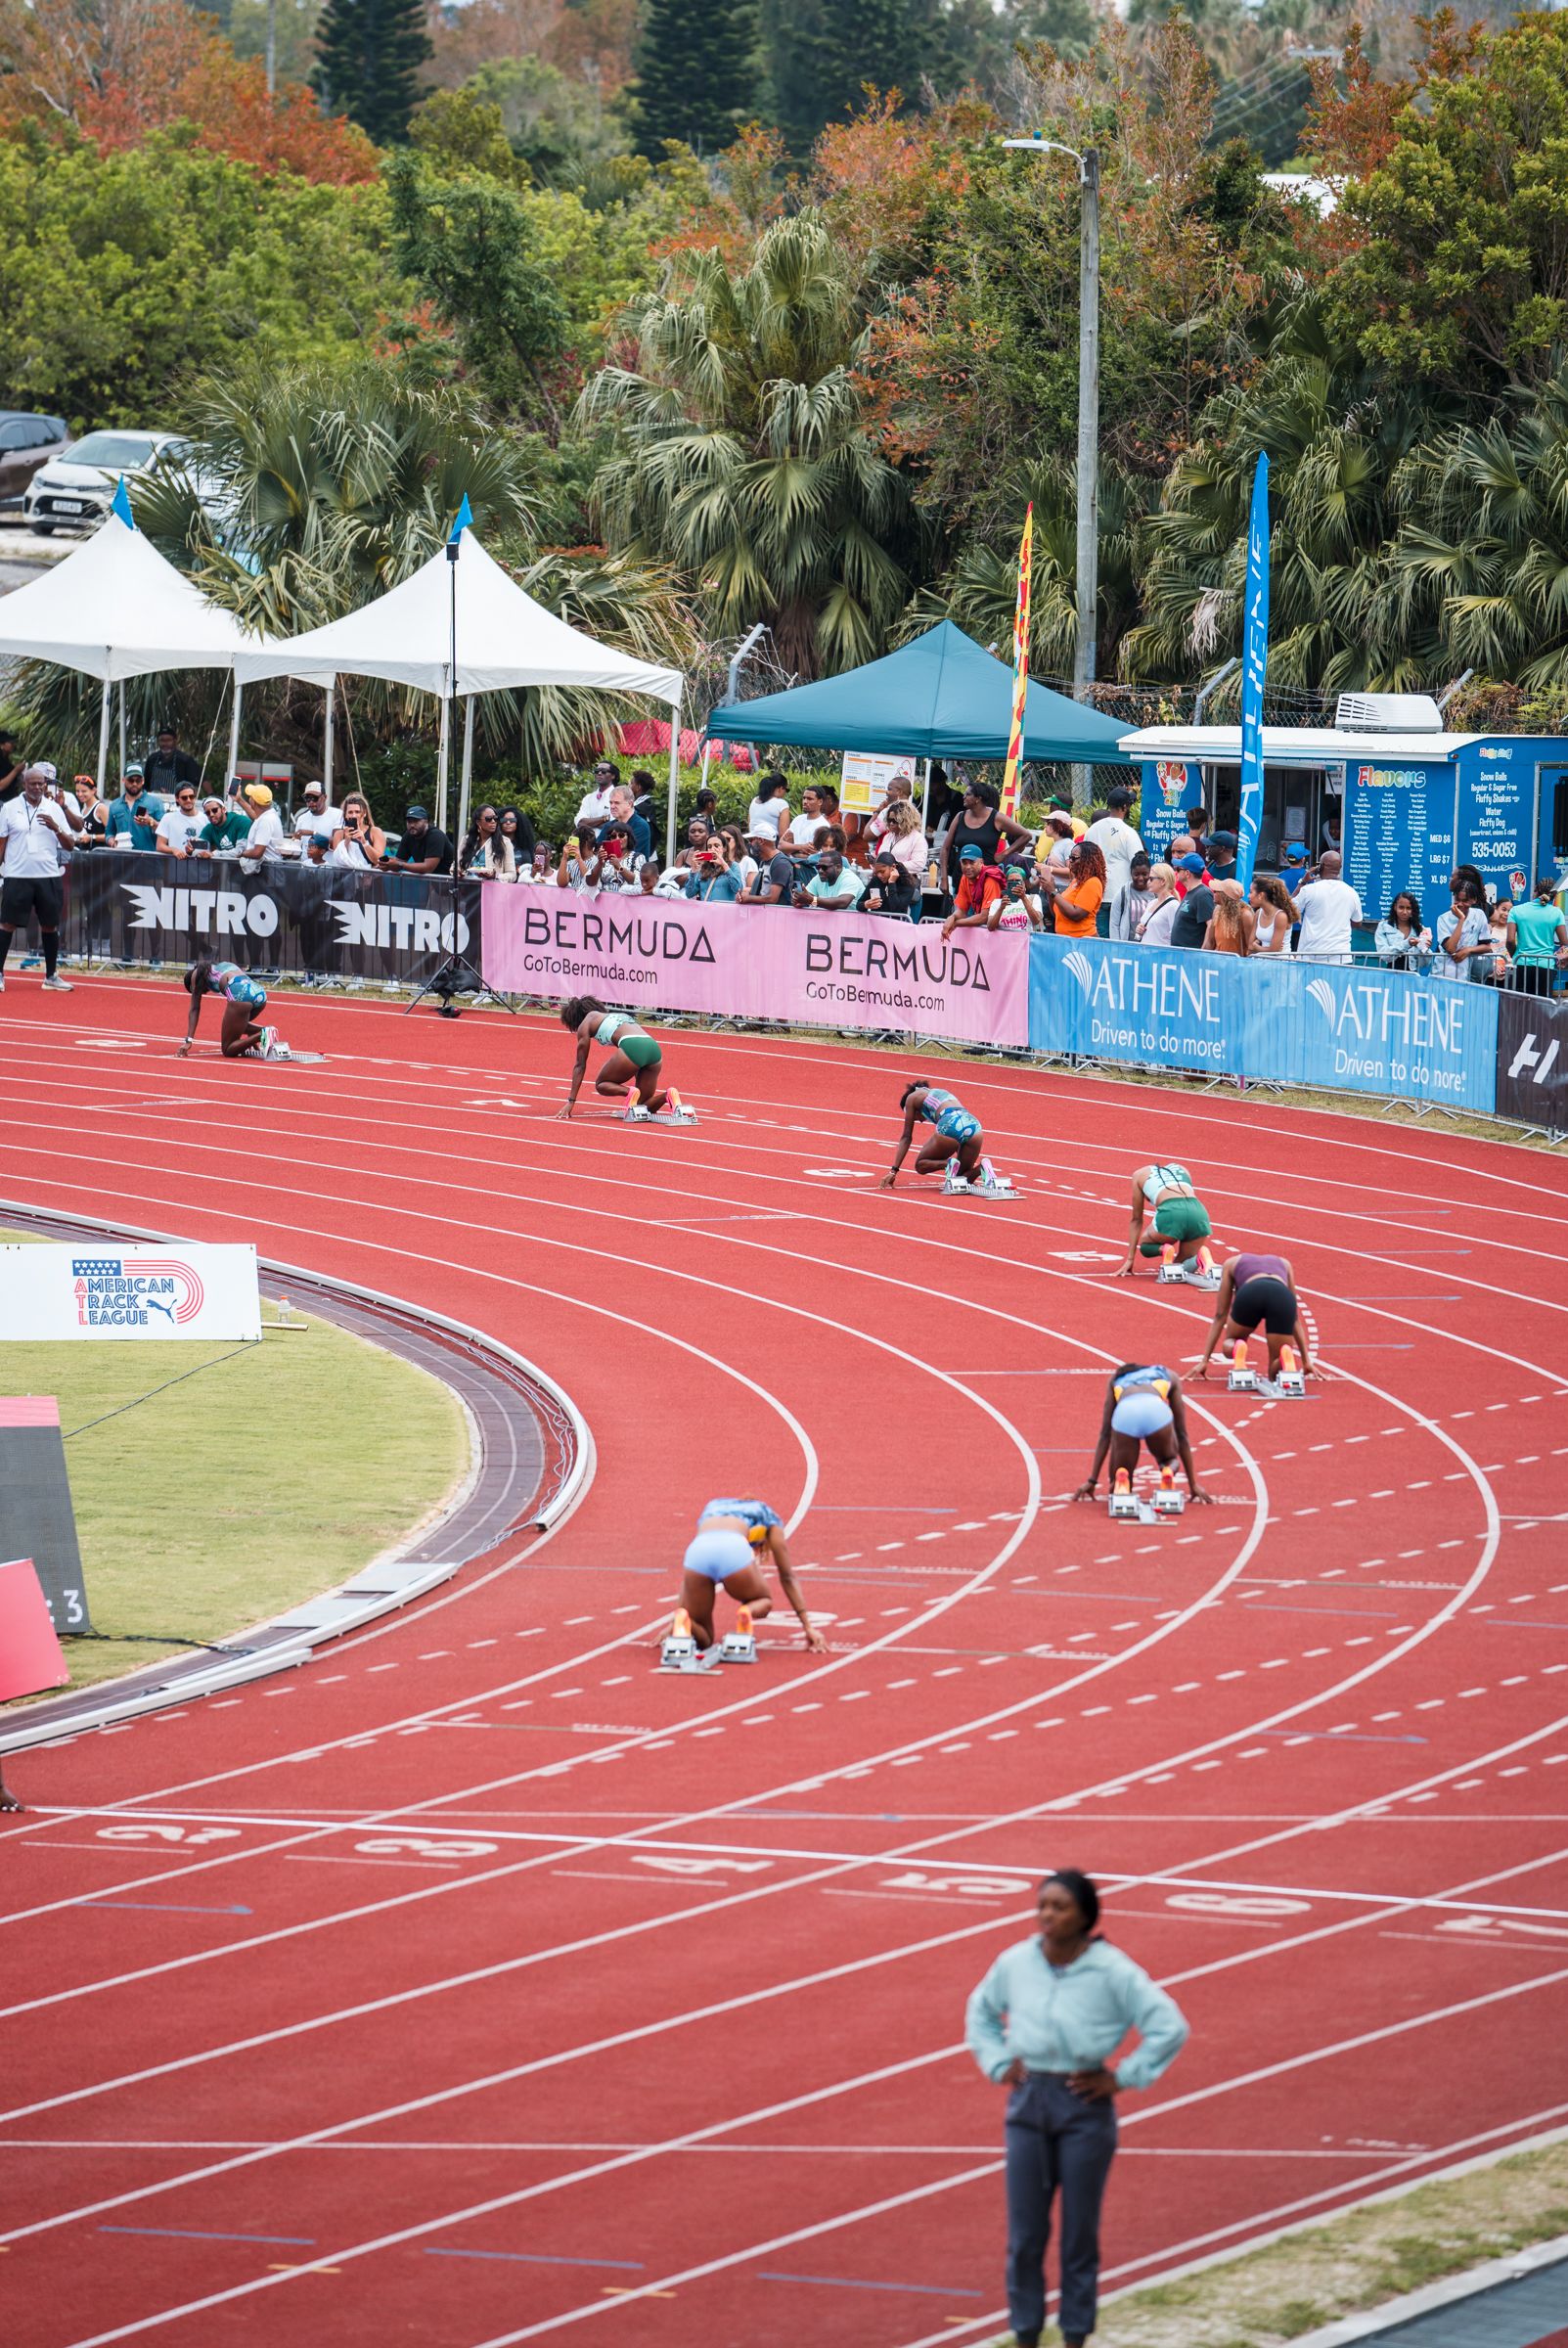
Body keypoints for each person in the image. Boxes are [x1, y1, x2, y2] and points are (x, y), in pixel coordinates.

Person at [965, 1870, 1189, 2348]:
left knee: (1078, 2236)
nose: (1047, 1914)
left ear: (1086, 1916)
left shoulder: (1113, 1970)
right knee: (1025, 2235)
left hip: (1083, 2104)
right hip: (1028, 2099)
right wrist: (997, 2062)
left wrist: (1123, 2077)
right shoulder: (1016, 1961)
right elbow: (980, 2011)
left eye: (1060, 1906)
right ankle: (1025, 2332)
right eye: (1043, 1904)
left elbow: (1169, 2026)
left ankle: (1074, 2335)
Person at [674, 1498, 826, 1654]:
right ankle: (747, 1611)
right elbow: (787, 1577)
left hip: (697, 1552)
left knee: (704, 1640)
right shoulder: (766, 1514)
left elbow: (687, 1581)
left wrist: (676, 1615)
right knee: (763, 1600)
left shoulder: (713, 1506)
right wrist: (807, 1626)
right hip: (733, 1549)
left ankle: (683, 1620)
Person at [1072, 1366, 1211, 1506]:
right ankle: (1167, 1469)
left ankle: (1122, 1481)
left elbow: (1105, 1434)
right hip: (1156, 1412)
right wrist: (1193, 1484)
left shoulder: (1116, 1379)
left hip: (1126, 1414)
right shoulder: (1168, 1375)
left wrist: (1092, 1480)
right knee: (1169, 1459)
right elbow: (1181, 1434)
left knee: (1121, 1475)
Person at [0, 766, 81, 992]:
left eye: (40, 783)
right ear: (24, 784)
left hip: (48, 875)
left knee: (50, 925)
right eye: (32, 783)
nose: (37, 787)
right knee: (7, 924)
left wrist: (56, 828)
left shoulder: (54, 808)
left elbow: (70, 844)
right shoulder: (9, 808)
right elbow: (2, 843)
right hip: (17, 874)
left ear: (45, 785)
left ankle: (51, 976)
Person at [1194, 1250, 1322, 1382]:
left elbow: (1220, 1315)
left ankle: (1238, 1347)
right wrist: (1306, 1361)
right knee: (1275, 1374)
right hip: (1281, 1295)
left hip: (1251, 1291)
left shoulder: (1231, 1263)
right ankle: (1284, 1356)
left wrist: (1205, 1360)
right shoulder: (1285, 1264)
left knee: (1231, 1341)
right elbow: (1294, 1318)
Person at [557, 995, 675, 1118]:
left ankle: (629, 1092)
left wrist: (571, 1101)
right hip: (653, 1048)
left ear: (574, 1019)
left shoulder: (585, 1024)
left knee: (601, 1084)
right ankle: (668, 1095)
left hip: (633, 1045)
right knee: (642, 1106)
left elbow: (580, 1065)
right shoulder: (616, 1015)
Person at [880, 1076, 1000, 1195]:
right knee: (961, 1179)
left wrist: (893, 1171)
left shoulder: (911, 1098)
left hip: (950, 1122)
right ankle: (982, 1167)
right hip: (973, 1124)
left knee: (921, 1165)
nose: (919, 1120)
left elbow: (906, 1137)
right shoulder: (940, 1093)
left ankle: (947, 1164)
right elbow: (960, 1135)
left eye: (914, 1117)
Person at [1115, 1159, 1216, 1281]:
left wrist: (1130, 1259)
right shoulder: (1182, 1169)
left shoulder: (1139, 1175)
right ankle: (1201, 1255)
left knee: (1145, 1246)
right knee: (1180, 1267)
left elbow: (1136, 1220)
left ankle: (1165, 1249)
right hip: (1198, 1211)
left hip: (1171, 1211)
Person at [939, 776, 1034, 889]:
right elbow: (945, 848)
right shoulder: (960, 817)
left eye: (968, 794)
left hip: (986, 881)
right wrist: (943, 878)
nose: (963, 797)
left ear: (978, 799)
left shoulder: (996, 818)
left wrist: (1004, 854)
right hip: (961, 880)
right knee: (959, 907)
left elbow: (1026, 835)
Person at [178, 958, 268, 1056]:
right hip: (259, 993)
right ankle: (264, 1031)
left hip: (241, 994)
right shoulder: (220, 966)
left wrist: (188, 1041)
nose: (204, 993)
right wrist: (249, 1040)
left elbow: (194, 1009)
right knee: (235, 1027)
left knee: (228, 1049)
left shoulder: (195, 974)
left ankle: (262, 1034)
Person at [1084, 786, 1143, 932]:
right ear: (1125, 806)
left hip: (1097, 892)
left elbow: (1083, 860)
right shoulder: (1128, 833)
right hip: (1121, 894)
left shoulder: (1092, 829)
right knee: (1120, 940)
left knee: (1101, 941)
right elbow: (1139, 864)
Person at [1291, 849, 1361, 962]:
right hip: (1340, 957)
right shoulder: (1352, 893)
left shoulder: (1309, 890)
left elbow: (1288, 908)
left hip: (1310, 956)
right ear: (1340, 867)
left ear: (1321, 866)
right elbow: (1357, 922)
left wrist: (1302, 882)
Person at [1507, 874, 1568, 996]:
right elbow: (1564, 943)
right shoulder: (1556, 912)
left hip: (1521, 964)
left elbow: (1510, 941)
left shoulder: (1516, 910)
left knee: (1519, 1005)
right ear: (1553, 895)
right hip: (1546, 966)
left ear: (1535, 890)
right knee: (1542, 1008)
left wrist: (1516, 955)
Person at [1046, 839, 1107, 941]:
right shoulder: (1076, 881)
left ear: (1088, 860)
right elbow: (1056, 912)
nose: (1070, 861)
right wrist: (1049, 890)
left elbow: (1076, 914)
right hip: (1067, 941)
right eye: (1070, 857)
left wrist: (1053, 891)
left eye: (1074, 858)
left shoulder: (1093, 882)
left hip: (1084, 943)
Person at [1434, 879, 1493, 981]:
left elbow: (1487, 946)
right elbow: (1451, 948)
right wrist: (1461, 919)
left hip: (1465, 976)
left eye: (1465, 901)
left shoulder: (1479, 915)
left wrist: (1468, 950)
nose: (1460, 904)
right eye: (1457, 899)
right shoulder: (1443, 919)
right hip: (1442, 973)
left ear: (1473, 900)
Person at [943, 839, 1003, 935]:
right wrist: (952, 917)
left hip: (1001, 930)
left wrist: (955, 923)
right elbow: (962, 910)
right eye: (964, 863)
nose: (968, 867)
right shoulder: (965, 878)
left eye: (972, 862)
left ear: (981, 862)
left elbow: (984, 917)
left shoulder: (990, 880)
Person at [104, 765, 163, 851]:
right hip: (123, 858)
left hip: (148, 858)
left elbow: (165, 832)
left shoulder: (155, 802)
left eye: (138, 780)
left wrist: (151, 822)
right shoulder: (115, 805)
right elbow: (109, 832)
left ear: (143, 781)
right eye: (131, 780)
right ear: (123, 780)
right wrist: (113, 843)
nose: (134, 784)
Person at [383, 804, 454, 877]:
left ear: (426, 822)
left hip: (449, 881)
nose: (412, 825)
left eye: (416, 821)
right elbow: (399, 861)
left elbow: (428, 868)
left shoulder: (435, 836)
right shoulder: (408, 835)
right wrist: (387, 864)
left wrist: (400, 865)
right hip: (431, 882)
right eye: (409, 821)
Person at [1374, 890, 1432, 970]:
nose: (1404, 912)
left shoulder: (1420, 929)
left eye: (1408, 908)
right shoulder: (1384, 926)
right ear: (1395, 907)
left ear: (1413, 910)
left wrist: (1425, 949)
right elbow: (1384, 955)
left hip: (1412, 977)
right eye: (1401, 907)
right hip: (1391, 975)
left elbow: (1425, 963)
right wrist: (1407, 944)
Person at [141, 725, 201, 801]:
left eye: (168, 740)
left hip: (177, 803)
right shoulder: (152, 759)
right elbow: (145, 785)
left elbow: (195, 784)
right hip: (153, 802)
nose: (165, 744)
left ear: (175, 741)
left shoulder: (184, 760)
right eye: (162, 740)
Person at [737, 833, 797, 906]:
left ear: (761, 841)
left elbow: (773, 898)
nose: (750, 844)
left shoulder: (780, 864)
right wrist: (744, 895)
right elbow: (762, 890)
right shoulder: (764, 861)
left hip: (778, 915)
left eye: (751, 840)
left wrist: (748, 898)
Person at [795, 846, 865, 910]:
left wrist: (813, 900)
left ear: (838, 867)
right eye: (818, 867)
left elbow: (843, 903)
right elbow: (807, 898)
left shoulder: (849, 878)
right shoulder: (819, 877)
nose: (820, 871)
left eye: (824, 867)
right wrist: (799, 900)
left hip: (854, 921)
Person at [1167, 855, 1215, 948]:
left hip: (1192, 958)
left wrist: (1203, 953)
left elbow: (1211, 925)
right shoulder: (1192, 892)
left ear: (1187, 873)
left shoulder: (1203, 894)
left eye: (1178, 869)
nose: (1176, 872)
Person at [237, 781, 287, 866]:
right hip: (269, 871)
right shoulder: (269, 815)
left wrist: (242, 853)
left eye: (250, 797)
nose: (249, 799)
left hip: (266, 873)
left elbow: (257, 853)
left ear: (254, 802)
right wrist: (239, 799)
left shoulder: (265, 821)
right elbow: (256, 816)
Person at [461, 804, 515, 880]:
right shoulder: (466, 840)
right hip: (468, 888)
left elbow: (512, 875)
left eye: (495, 818)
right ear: (478, 822)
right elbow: (454, 867)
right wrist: (458, 872)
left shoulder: (504, 842)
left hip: (491, 889)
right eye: (489, 819)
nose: (493, 822)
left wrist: (495, 876)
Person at [1110, 851, 1155, 942]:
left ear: (1150, 873)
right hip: (1127, 947)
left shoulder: (1156, 893)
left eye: (1144, 874)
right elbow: (1114, 924)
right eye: (1136, 874)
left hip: (1150, 946)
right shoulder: (1123, 893)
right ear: (1131, 873)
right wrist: (1116, 947)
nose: (1141, 878)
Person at [989, 862, 1045, 931]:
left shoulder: (1033, 898)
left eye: (1018, 881)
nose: (1014, 884)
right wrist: (1001, 908)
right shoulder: (997, 902)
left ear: (1024, 884)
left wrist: (1024, 898)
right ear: (1006, 885)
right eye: (1011, 881)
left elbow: (1036, 921)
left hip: (1024, 941)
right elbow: (990, 927)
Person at [1203, 878, 1253, 956]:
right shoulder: (1217, 910)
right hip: (1218, 962)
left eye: (1216, 891)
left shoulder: (1245, 915)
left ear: (1224, 896)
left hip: (1237, 964)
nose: (1213, 893)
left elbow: (1250, 947)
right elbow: (1210, 941)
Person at [1250, 873, 1296, 956]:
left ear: (1261, 895)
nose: (1248, 896)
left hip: (1281, 964)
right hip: (1262, 963)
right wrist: (1260, 948)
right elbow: (1250, 946)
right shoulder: (1258, 913)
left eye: (1251, 892)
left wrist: (1256, 946)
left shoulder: (1280, 916)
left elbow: (1273, 952)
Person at [602, 784, 650, 861]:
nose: (612, 806)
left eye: (617, 803)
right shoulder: (608, 826)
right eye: (611, 803)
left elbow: (632, 856)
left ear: (630, 804)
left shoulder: (641, 826)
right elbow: (598, 850)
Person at [291, 780, 343, 853]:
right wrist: (289, 852)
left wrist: (313, 833)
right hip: (305, 863)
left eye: (314, 798)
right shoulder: (301, 818)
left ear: (325, 797)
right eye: (307, 799)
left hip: (328, 864)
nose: (311, 802)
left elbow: (337, 843)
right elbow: (298, 850)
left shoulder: (337, 815)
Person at [156, 783, 205, 857]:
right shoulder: (168, 818)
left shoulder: (205, 818)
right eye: (184, 798)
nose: (188, 800)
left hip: (201, 866)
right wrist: (173, 850)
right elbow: (159, 846)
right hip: (176, 866)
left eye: (191, 797)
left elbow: (212, 845)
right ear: (177, 799)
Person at [334, 791, 381, 868]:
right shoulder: (339, 834)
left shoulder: (375, 832)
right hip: (345, 878)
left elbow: (378, 861)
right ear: (345, 814)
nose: (354, 815)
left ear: (364, 813)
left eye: (357, 812)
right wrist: (346, 841)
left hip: (370, 878)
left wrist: (364, 842)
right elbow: (337, 861)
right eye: (350, 812)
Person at [1136, 865, 1181, 946]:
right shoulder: (1151, 903)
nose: (1148, 882)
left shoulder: (1173, 905)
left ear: (1163, 881)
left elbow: (1176, 937)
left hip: (1160, 955)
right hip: (1144, 953)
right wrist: (1139, 929)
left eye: (1151, 879)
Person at [746, 771, 791, 846]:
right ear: (780, 788)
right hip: (771, 844)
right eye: (786, 790)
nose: (785, 793)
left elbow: (750, 823)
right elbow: (783, 834)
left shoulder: (754, 800)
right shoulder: (781, 804)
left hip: (753, 843)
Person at [575, 758, 620, 828]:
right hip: (588, 838)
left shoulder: (619, 796)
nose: (599, 773)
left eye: (604, 771)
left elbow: (615, 824)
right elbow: (580, 822)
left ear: (613, 776)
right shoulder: (588, 798)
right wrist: (606, 818)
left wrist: (591, 823)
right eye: (597, 771)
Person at [498, 804, 536, 872]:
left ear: (518, 822)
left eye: (512, 820)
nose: (508, 822)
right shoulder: (495, 844)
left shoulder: (526, 845)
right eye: (504, 820)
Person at [70, 775, 109, 840]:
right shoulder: (83, 809)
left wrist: (92, 837)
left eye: (84, 791)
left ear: (93, 790)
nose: (80, 794)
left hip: (98, 850)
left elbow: (112, 835)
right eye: (77, 791)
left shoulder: (100, 809)